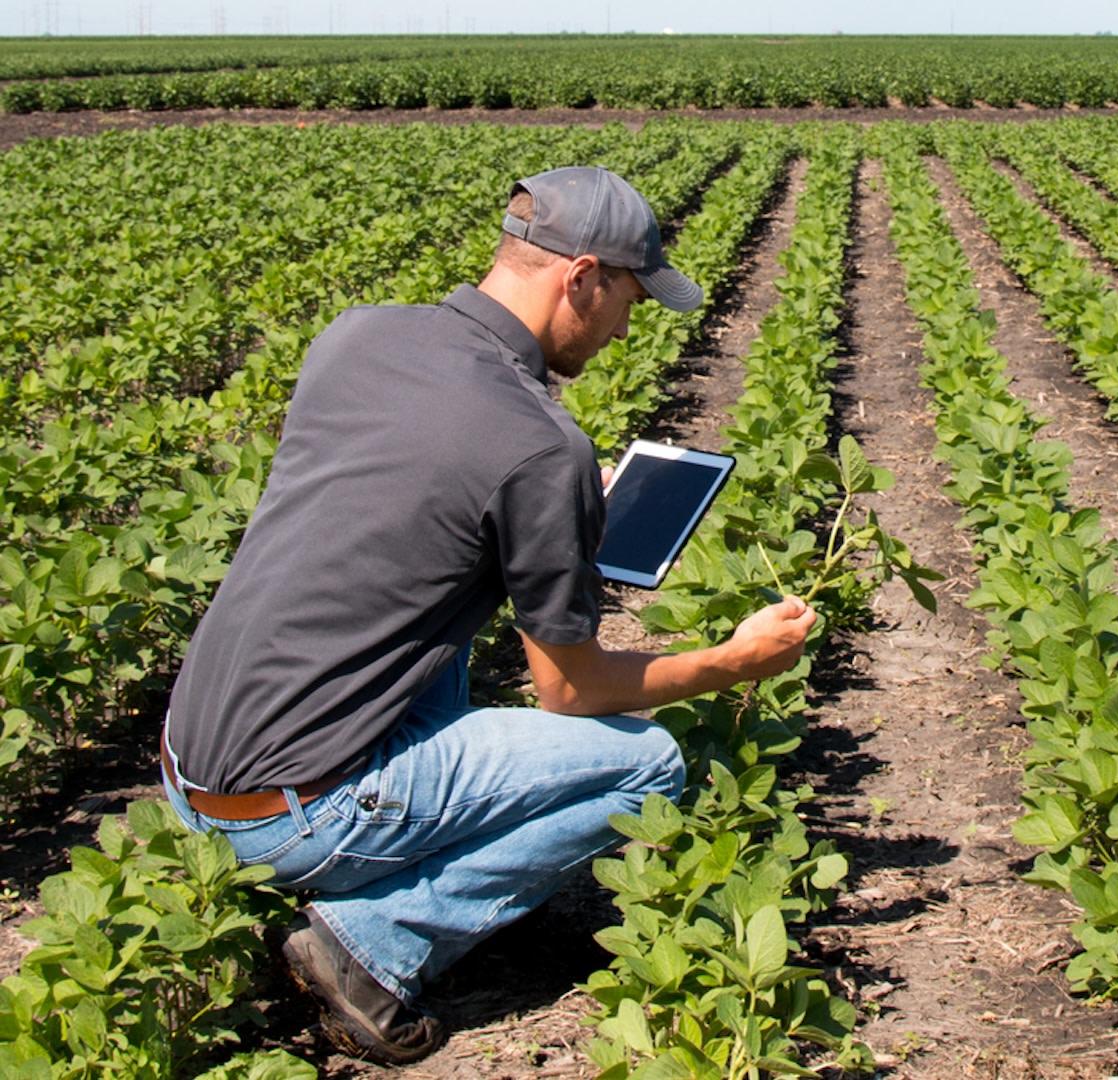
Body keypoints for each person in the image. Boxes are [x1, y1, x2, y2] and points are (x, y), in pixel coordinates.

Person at [159, 165, 817, 1065]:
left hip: (190, 767)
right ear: (580, 276)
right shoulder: (541, 447)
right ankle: (374, 946)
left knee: (442, 632)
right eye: (628, 296)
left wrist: (559, 522)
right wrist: (733, 662)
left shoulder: (357, 336)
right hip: (289, 814)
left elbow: (406, 511)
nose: (628, 326)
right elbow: (568, 692)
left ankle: (354, 843)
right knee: (645, 764)